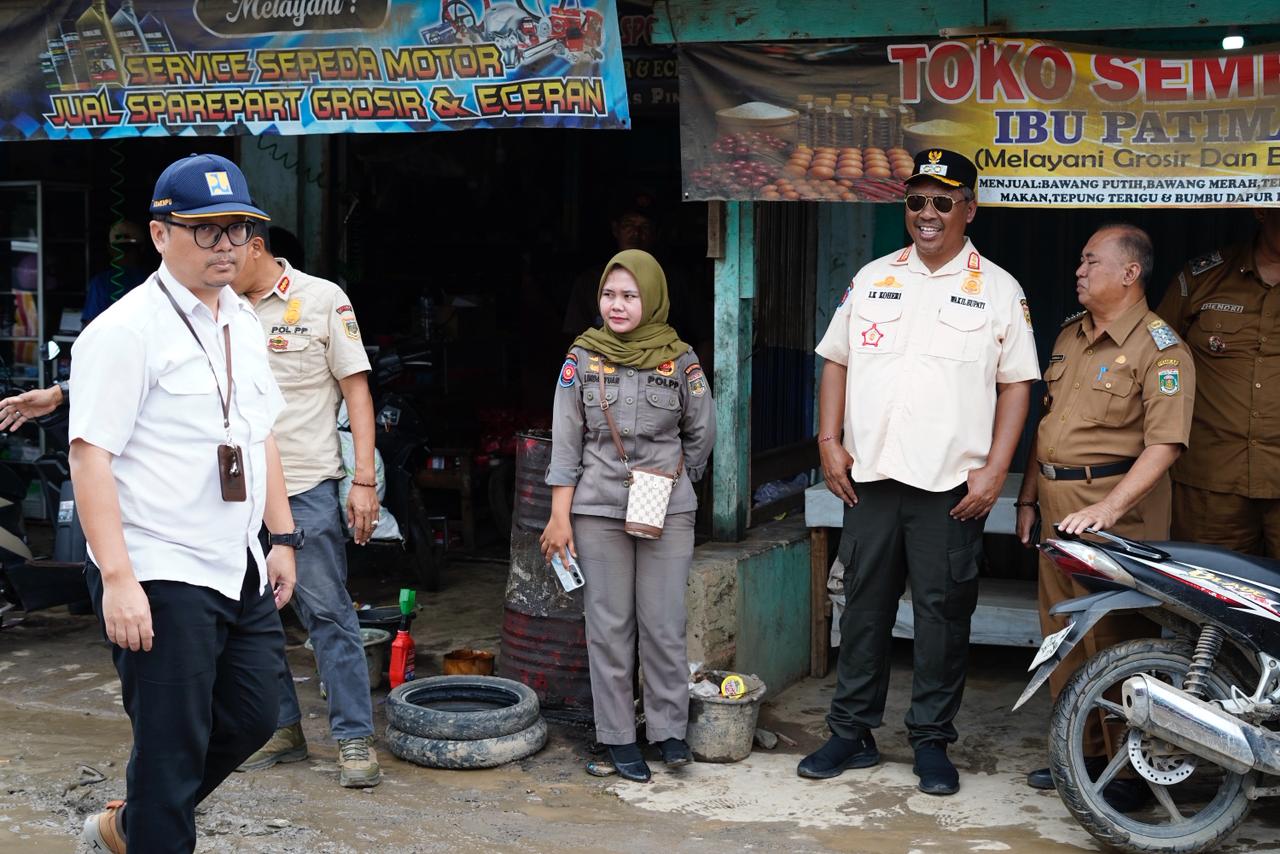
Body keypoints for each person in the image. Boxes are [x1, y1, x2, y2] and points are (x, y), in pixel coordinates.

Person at [71, 153, 298, 854]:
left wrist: (281, 536)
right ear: (160, 233)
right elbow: (90, 456)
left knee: (258, 713)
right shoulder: (123, 331)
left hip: (236, 562)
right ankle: (152, 823)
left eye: (236, 229)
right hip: (159, 566)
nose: (225, 244)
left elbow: (258, 433)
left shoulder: (244, 322)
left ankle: (131, 825)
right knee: (171, 751)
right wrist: (118, 580)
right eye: (205, 230)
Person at [799, 149, 1039, 795]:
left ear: (969, 209)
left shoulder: (999, 288)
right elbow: (837, 362)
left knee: (941, 618)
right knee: (864, 611)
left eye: (942, 200)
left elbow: (1018, 384)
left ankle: (932, 741)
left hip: (950, 488)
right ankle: (851, 733)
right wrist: (829, 440)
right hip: (870, 478)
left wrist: (995, 470)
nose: (927, 213)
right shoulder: (876, 276)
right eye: (916, 201)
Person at [1016, 224, 1195, 804]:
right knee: (1063, 636)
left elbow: (1164, 446)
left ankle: (1130, 770)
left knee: (1119, 645)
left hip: (1116, 515)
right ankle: (1083, 754)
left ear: (1129, 272)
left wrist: (1109, 507)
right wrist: (1026, 497)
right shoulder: (1071, 336)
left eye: (1091, 261)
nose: (1079, 271)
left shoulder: (1161, 348)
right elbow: (1046, 431)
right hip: (1055, 508)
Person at [541, 249, 716, 783]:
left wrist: (675, 482)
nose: (617, 305)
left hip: (665, 507)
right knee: (609, 627)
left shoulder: (680, 358)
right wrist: (559, 516)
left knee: (664, 624)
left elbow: (702, 431)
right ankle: (618, 736)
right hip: (595, 507)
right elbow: (566, 439)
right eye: (609, 295)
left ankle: (669, 731)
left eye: (629, 295)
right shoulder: (583, 357)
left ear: (652, 297)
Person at [231, 227, 383, 788]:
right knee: (249, 618)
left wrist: (363, 480)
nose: (216, 255)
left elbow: (358, 391)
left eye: (227, 242)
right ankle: (282, 730)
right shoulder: (212, 306)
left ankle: (353, 739)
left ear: (254, 245)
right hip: (232, 494)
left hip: (302, 488)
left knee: (327, 617)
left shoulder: (321, 299)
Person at [1156, 209, 1280, 555]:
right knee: (1208, 595)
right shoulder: (1203, 277)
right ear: (1261, 210)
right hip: (1210, 484)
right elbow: (1154, 357)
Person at [82, 220, 151, 326]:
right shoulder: (155, 280)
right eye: (122, 249)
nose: (124, 254)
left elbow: (89, 328)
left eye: (128, 249)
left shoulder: (100, 283)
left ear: (110, 249)